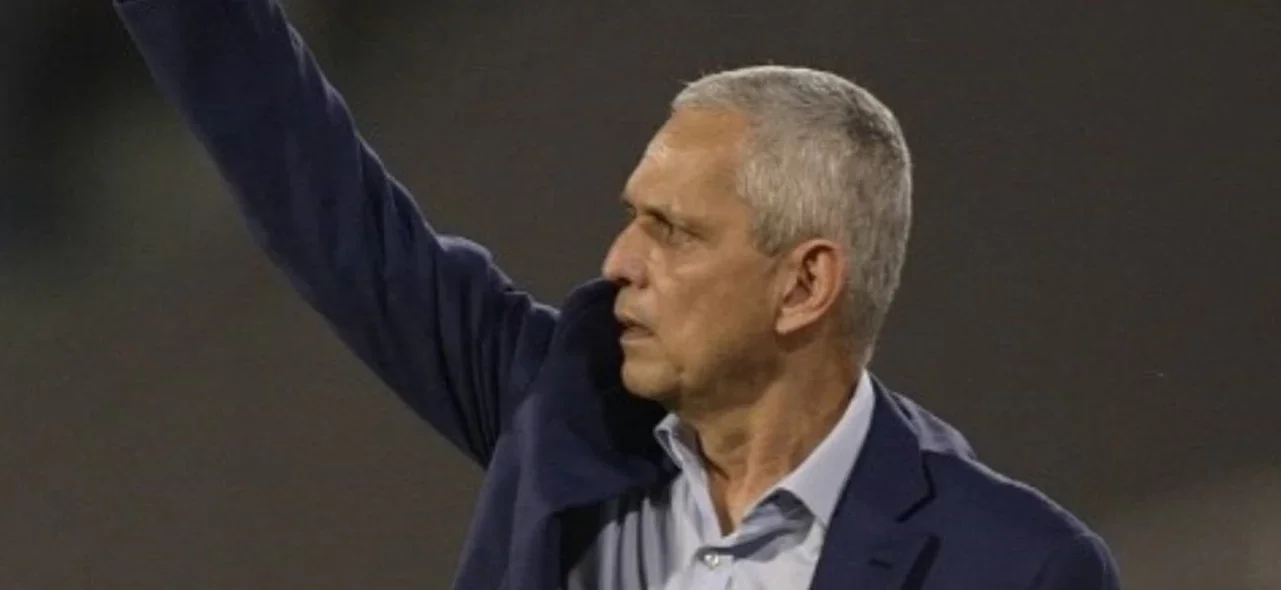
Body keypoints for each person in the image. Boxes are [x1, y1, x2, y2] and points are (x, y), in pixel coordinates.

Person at [115, 0, 1121, 588]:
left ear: (805, 282)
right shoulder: (561, 404)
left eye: (673, 230)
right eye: (635, 214)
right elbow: (320, 202)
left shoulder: (1014, 566)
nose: (619, 260)